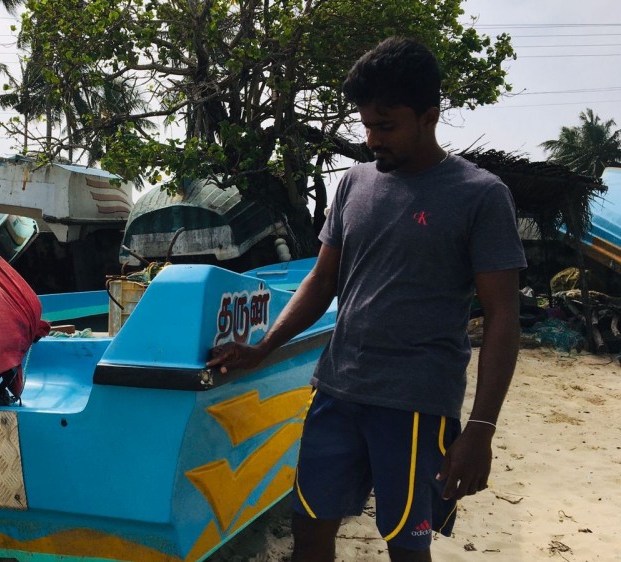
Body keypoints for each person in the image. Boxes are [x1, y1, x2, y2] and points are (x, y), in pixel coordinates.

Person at [207, 37, 525, 562]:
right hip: (337, 390)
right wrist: (263, 347)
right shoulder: (354, 184)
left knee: (407, 544)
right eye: (367, 125)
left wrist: (481, 429)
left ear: (429, 116)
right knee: (309, 529)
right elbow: (320, 281)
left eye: (387, 126)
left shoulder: (480, 195)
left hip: (416, 405)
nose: (372, 139)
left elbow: (502, 317)